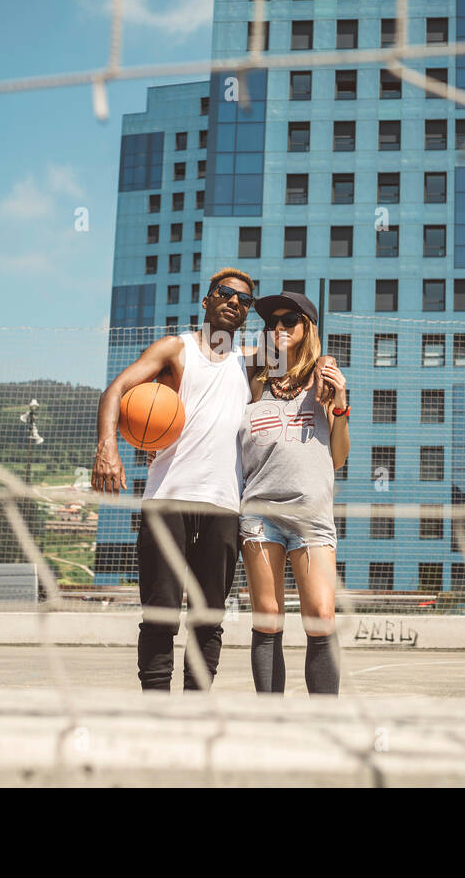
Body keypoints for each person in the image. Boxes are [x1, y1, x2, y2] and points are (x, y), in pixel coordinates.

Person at [92, 269, 336, 692]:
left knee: (209, 617)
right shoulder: (176, 348)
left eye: (243, 301)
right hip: (169, 497)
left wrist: (329, 363)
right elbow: (116, 389)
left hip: (225, 504)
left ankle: (196, 704)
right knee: (161, 612)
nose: (234, 302)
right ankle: (155, 705)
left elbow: (307, 355)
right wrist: (107, 447)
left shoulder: (249, 361)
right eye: (225, 294)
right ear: (206, 300)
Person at [238, 291, 349, 695]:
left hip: (310, 513)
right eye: (272, 323)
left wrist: (340, 404)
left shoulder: (323, 381)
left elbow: (337, 458)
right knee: (267, 616)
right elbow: (217, 354)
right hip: (260, 510)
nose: (279, 328)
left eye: (289, 321)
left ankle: (323, 724)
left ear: (308, 328)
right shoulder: (254, 379)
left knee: (320, 615)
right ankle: (271, 722)